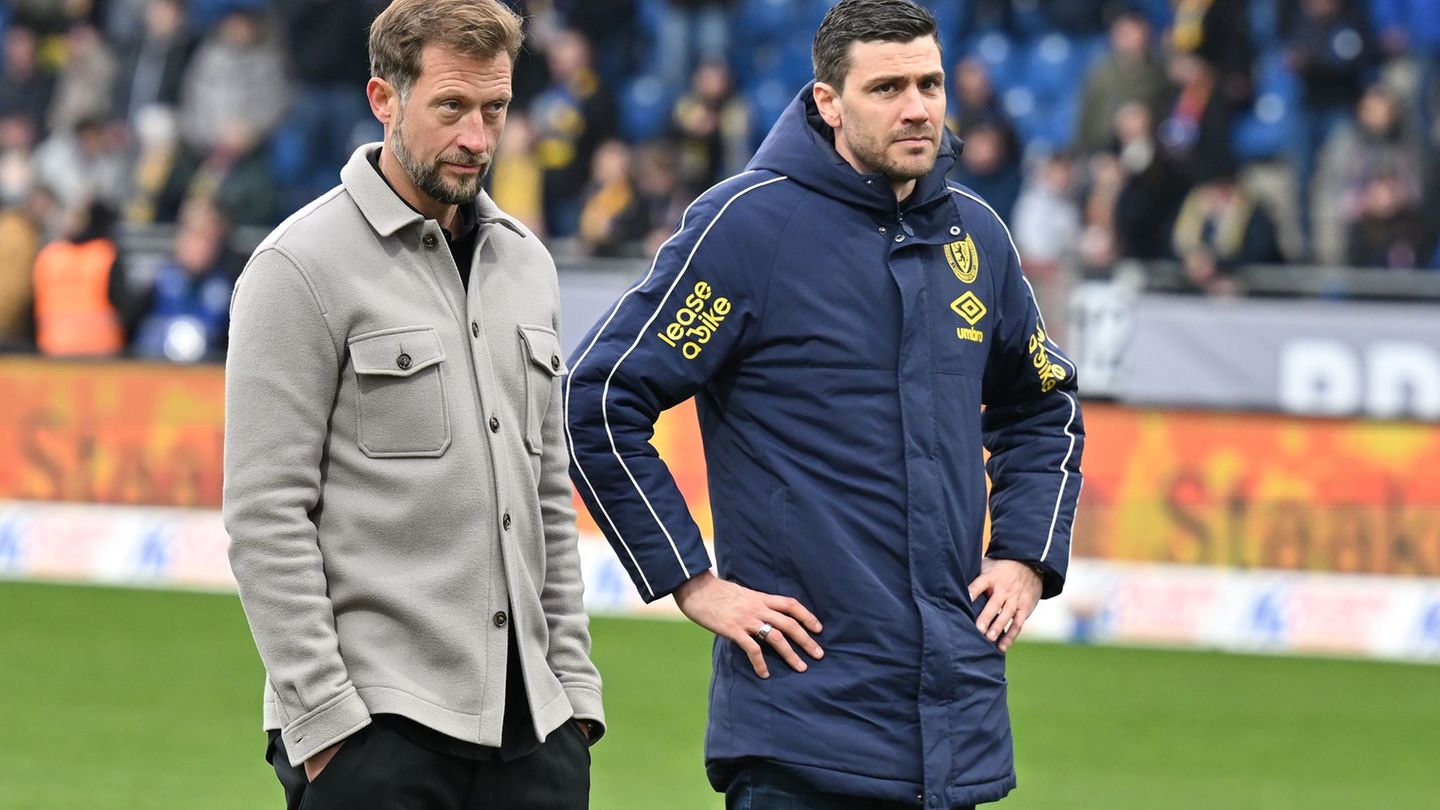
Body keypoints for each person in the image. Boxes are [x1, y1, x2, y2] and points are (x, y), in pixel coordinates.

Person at [565, 1, 1084, 808]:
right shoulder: (745, 227)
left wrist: (1023, 554)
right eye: (887, 88)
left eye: (930, 83)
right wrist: (690, 580)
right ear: (828, 102)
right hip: (799, 729)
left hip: (956, 734)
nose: (917, 106)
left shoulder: (976, 236)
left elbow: (1043, 406)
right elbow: (601, 397)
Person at [223, 2, 603, 809]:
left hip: (536, 738)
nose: (477, 137)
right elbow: (265, 514)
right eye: (452, 107)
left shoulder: (529, 266)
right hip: (374, 738)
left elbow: (546, 497)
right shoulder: (297, 267)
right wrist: (326, 727)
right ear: (384, 98)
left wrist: (574, 697)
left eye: (494, 108)